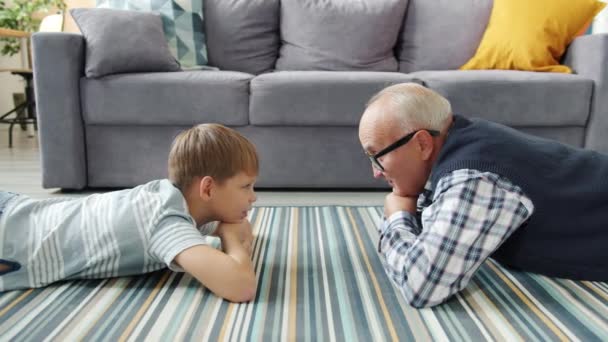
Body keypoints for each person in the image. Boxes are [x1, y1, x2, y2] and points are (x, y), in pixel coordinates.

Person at [358, 83, 608, 308]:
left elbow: (422, 285)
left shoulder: (474, 178)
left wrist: (398, 216)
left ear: (422, 144)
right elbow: (436, 221)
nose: (375, 173)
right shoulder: (465, 137)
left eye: (377, 156)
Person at [0, 124, 258, 302]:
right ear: (208, 188)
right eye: (245, 186)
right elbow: (240, 287)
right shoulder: (166, 223)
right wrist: (231, 238)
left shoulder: (168, 198)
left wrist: (230, 228)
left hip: (16, 209)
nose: (253, 196)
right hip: (10, 238)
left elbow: (246, 232)